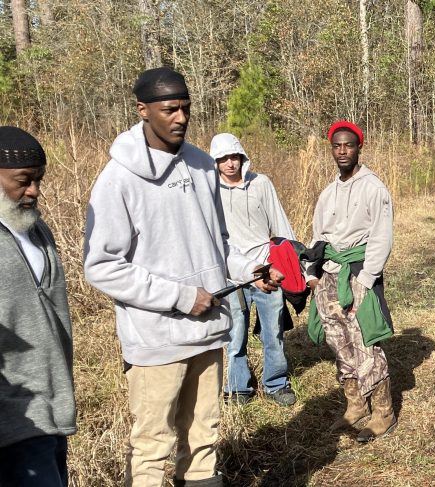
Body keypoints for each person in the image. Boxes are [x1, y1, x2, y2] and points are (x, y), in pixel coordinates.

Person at [83, 68, 283, 487]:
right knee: (154, 446)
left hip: (209, 330)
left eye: (185, 109)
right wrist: (179, 296)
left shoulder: (201, 165)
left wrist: (249, 271)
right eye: (169, 109)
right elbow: (101, 266)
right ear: (143, 111)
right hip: (157, 340)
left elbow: (218, 241)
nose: (180, 118)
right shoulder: (117, 180)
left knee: (204, 440)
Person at [305, 121, 397, 442]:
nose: (342, 151)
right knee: (337, 337)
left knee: (365, 339)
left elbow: (382, 236)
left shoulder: (374, 188)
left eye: (349, 145)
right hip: (329, 273)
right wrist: (313, 274)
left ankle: (383, 411)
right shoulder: (328, 193)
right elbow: (318, 236)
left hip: (358, 271)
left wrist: (367, 278)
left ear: (359, 147)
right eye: (337, 146)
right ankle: (355, 403)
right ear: (332, 149)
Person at [0, 126, 76, 486]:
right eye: (23, 181)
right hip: (14, 413)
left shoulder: (36, 229)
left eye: (39, 180)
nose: (33, 191)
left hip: (54, 402)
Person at [209, 133, 297, 407]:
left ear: (243, 158)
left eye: (234, 157)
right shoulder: (210, 191)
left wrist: (292, 264)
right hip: (232, 275)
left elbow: (280, 226)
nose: (230, 164)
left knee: (273, 331)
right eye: (223, 159)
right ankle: (238, 389)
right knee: (235, 335)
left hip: (266, 270)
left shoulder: (261, 184)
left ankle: (276, 384)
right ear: (216, 162)